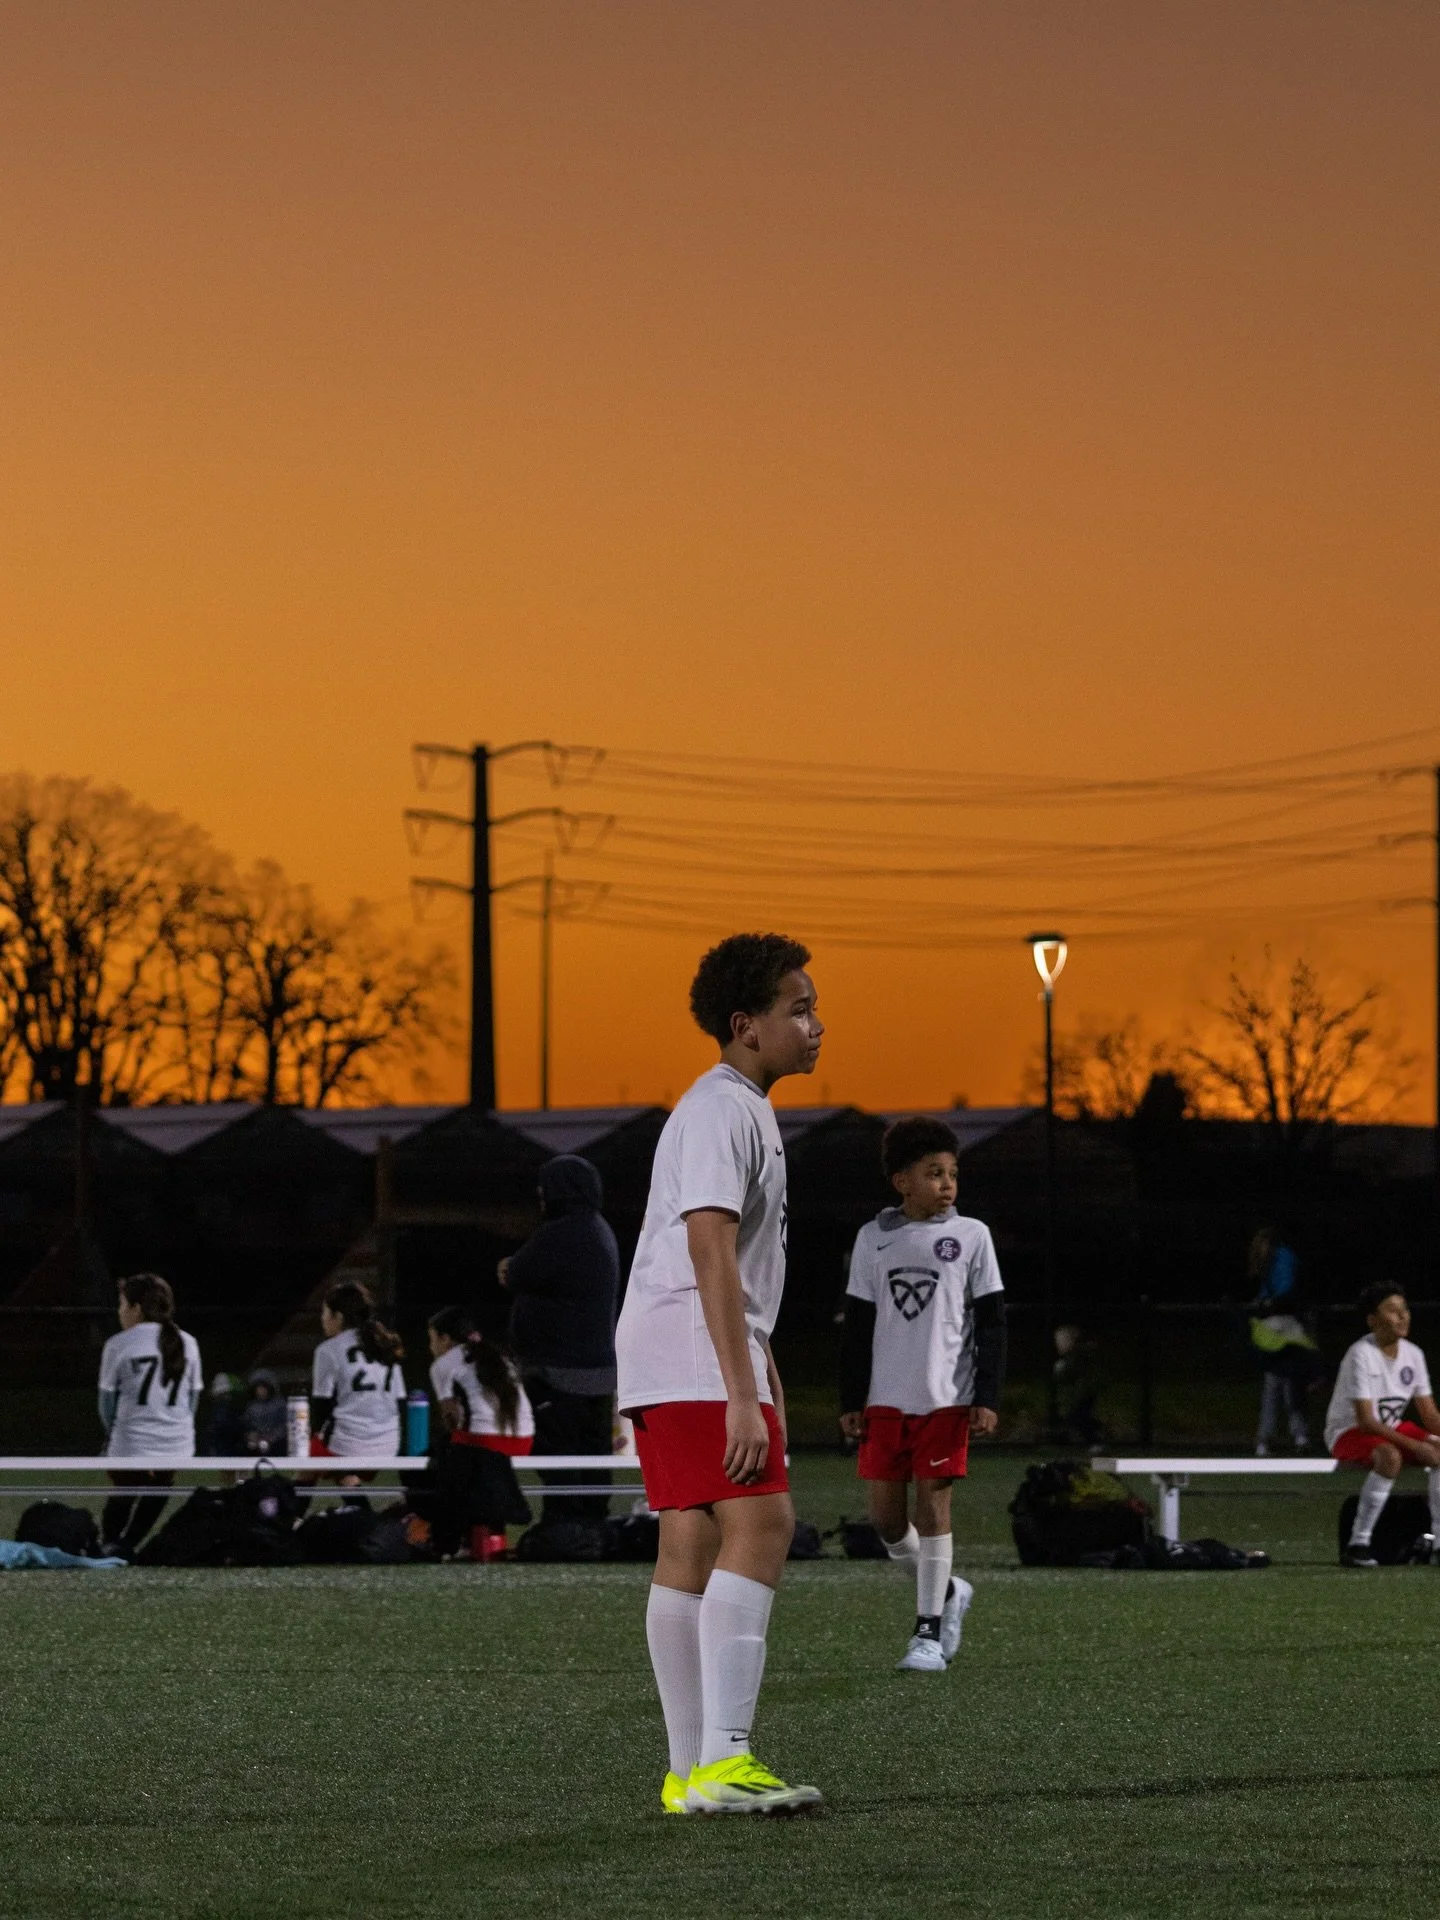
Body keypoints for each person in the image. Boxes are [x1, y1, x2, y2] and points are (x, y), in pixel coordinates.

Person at [615, 932, 824, 1817]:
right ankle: (725, 1760)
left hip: (670, 1349)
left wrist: (758, 1364)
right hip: (694, 1351)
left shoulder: (736, 1106)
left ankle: (688, 1774)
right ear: (747, 1025)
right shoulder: (722, 1108)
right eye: (799, 1008)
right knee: (765, 1522)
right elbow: (709, 1243)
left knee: (693, 1542)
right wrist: (742, 1389)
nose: (816, 1024)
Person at [839, 1117, 1006, 1673]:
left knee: (933, 1506)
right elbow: (858, 1326)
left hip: (946, 1398)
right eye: (934, 1173)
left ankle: (927, 1633)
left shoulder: (973, 1237)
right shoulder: (873, 1238)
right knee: (886, 1521)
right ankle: (950, 1591)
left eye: (953, 1173)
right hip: (886, 1399)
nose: (947, 1184)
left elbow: (993, 1324)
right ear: (901, 1181)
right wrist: (850, 1399)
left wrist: (987, 1395)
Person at [499, 1155, 620, 1521]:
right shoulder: (599, 1228)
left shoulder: (561, 1232)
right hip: (597, 1371)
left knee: (558, 1454)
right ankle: (593, 1526)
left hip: (560, 1373)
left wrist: (507, 1267)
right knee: (592, 1455)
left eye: (545, 1189)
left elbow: (513, 1272)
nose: (540, 1197)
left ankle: (565, 1528)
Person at [1326, 1284, 1440, 1567]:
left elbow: (1430, 1416)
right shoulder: (1360, 1355)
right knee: (1390, 1457)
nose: (1402, 1317)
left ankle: (1439, 1544)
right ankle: (1359, 1544)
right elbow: (1366, 1421)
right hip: (1350, 1431)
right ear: (1373, 1320)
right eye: (1392, 1311)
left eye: (1405, 1310)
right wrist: (1416, 1445)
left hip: (1390, 1427)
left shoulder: (1413, 1354)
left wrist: (1428, 1442)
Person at [97, 1272, 203, 1558]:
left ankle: (111, 1543)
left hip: (133, 1439)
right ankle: (129, 1543)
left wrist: (114, 1435)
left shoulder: (119, 1343)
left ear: (136, 1309)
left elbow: (106, 1403)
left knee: (124, 1487)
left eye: (122, 1304)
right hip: (177, 1441)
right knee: (159, 1486)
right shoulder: (189, 1343)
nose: (120, 1311)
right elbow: (192, 1401)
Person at [305, 1280, 406, 1489]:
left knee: (309, 1458)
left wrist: (314, 1437)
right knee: (336, 1464)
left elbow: (320, 1406)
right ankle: (356, 1500)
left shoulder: (328, 1350)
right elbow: (401, 1401)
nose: (322, 1319)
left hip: (349, 1444)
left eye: (325, 1313)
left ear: (339, 1317)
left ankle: (291, 1517)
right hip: (389, 1442)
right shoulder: (383, 1343)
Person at [1248, 1226, 1319, 1454]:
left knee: (1276, 1382)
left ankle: (1265, 1440)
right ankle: (1297, 1436)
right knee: (1290, 1381)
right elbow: (1283, 1290)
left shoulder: (1275, 1258)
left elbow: (1277, 1291)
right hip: (1286, 1325)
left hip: (1278, 1326)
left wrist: (1264, 1303)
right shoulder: (1282, 1256)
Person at [428, 1306, 535, 1456]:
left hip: (484, 1443)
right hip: (524, 1441)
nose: (430, 1347)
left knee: (440, 1449)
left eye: (432, 1340)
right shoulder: (499, 1357)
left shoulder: (443, 1364)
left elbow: (451, 1417)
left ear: (445, 1339)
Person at [240, 1368, 287, 1456]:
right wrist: (250, 1435)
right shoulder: (251, 1407)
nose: (260, 1390)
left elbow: (285, 1425)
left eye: (263, 1387)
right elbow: (246, 1424)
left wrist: (272, 1436)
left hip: (276, 1444)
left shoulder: (280, 1404)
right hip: (256, 1444)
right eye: (258, 1387)